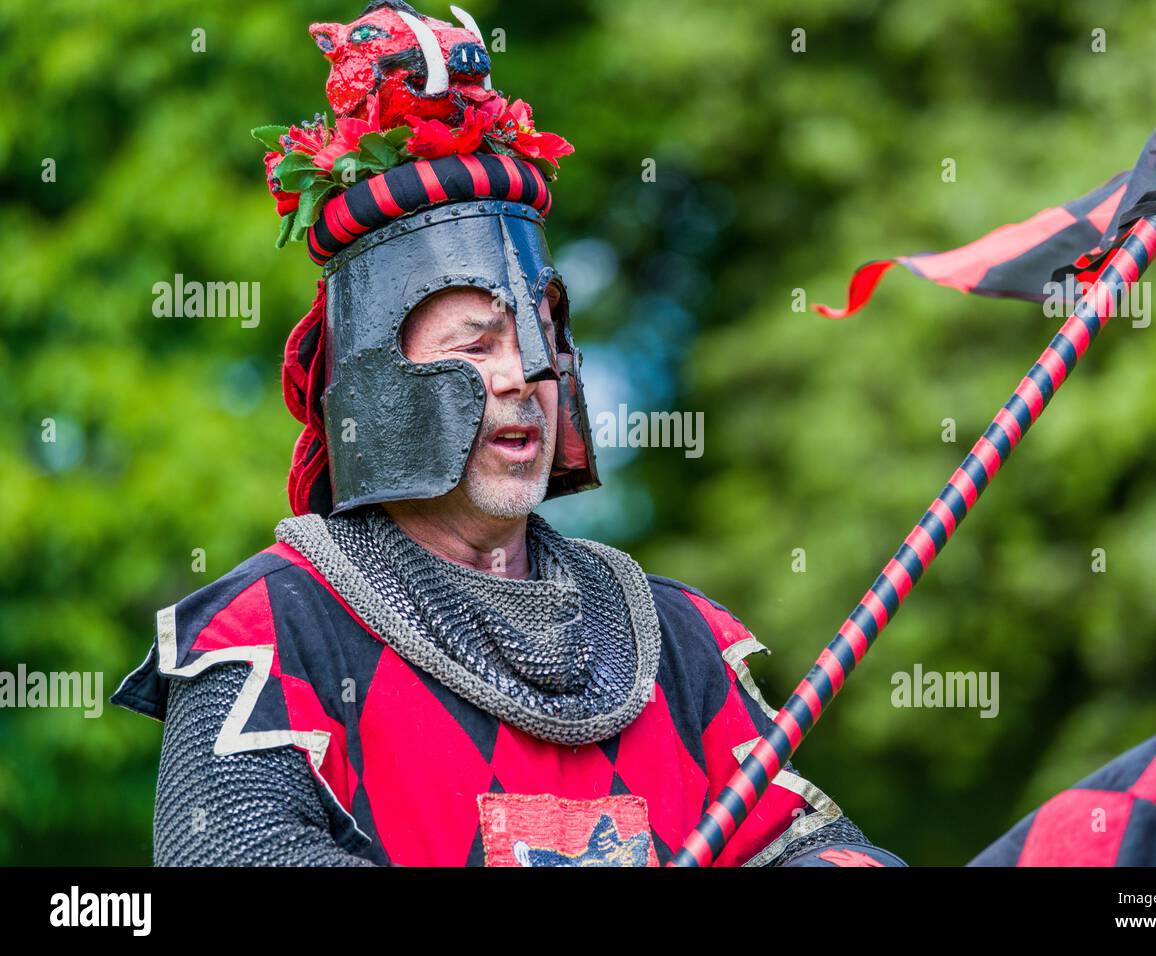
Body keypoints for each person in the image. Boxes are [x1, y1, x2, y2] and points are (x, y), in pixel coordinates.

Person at [110, 0, 904, 868]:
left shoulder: (680, 644)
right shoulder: (272, 630)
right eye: (475, 343)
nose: (524, 373)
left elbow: (811, 848)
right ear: (382, 376)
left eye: (541, 336)